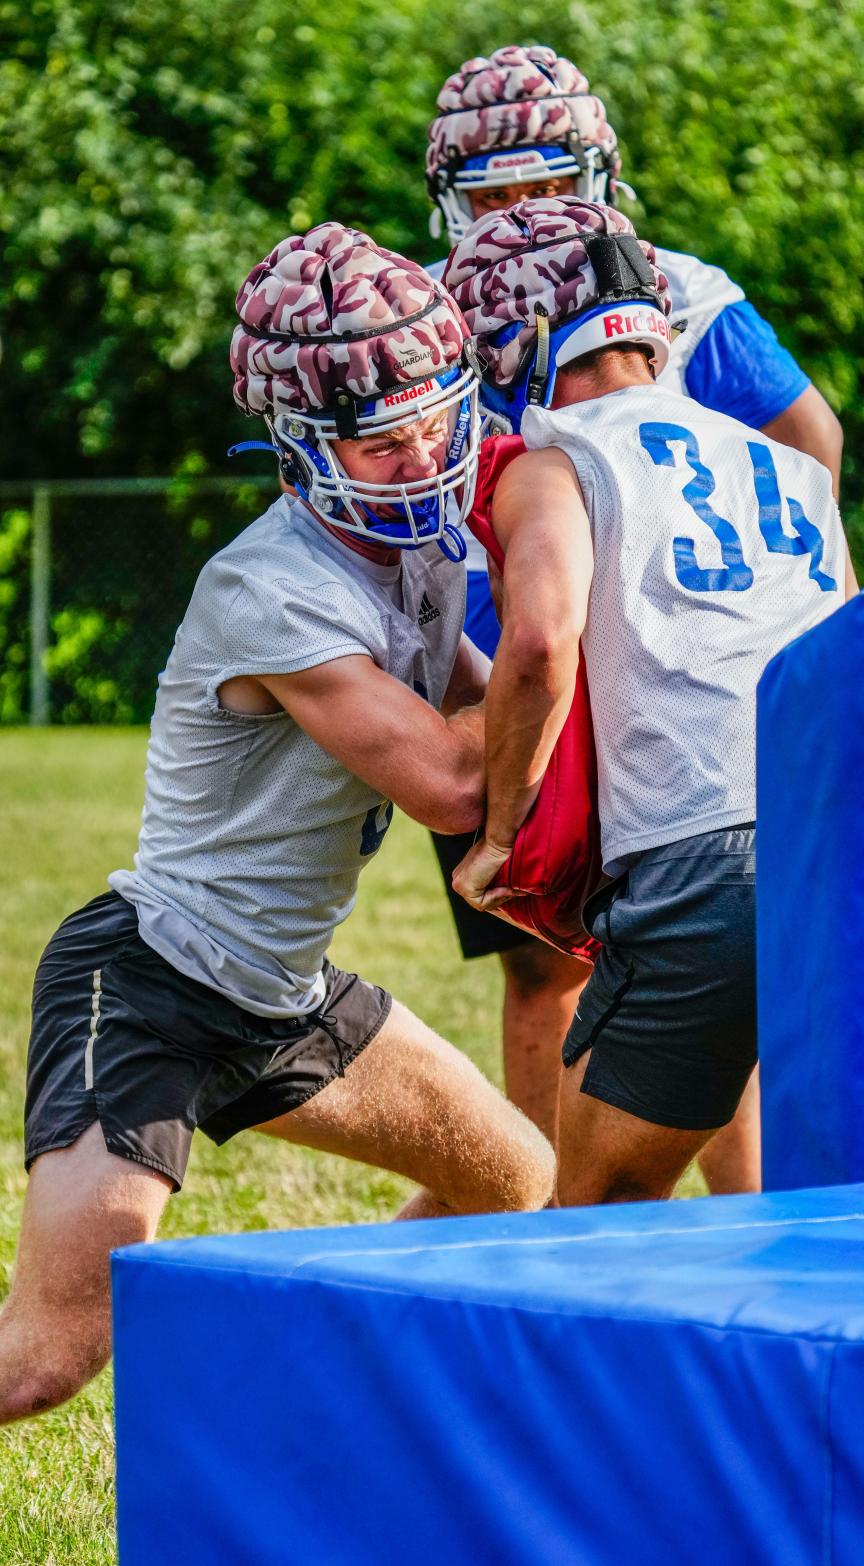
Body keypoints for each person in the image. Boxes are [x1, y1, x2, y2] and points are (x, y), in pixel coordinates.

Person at [0, 224, 554, 1426]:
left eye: (435, 417)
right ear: (301, 449)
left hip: (280, 993)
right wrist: (560, 631)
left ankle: (314, 1360)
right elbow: (459, 782)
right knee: (40, 1364)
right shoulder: (272, 584)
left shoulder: (418, 558)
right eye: (378, 434)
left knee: (515, 1178)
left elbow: (476, 700)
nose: (419, 457)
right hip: (150, 982)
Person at [423, 44, 845, 1186]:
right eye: (497, 195)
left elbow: (546, 637)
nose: (525, 214)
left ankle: (559, 1235)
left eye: (547, 184)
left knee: (601, 1195)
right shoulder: (784, 478)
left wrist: (508, 829)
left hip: (626, 731)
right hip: (812, 802)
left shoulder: (557, 443)